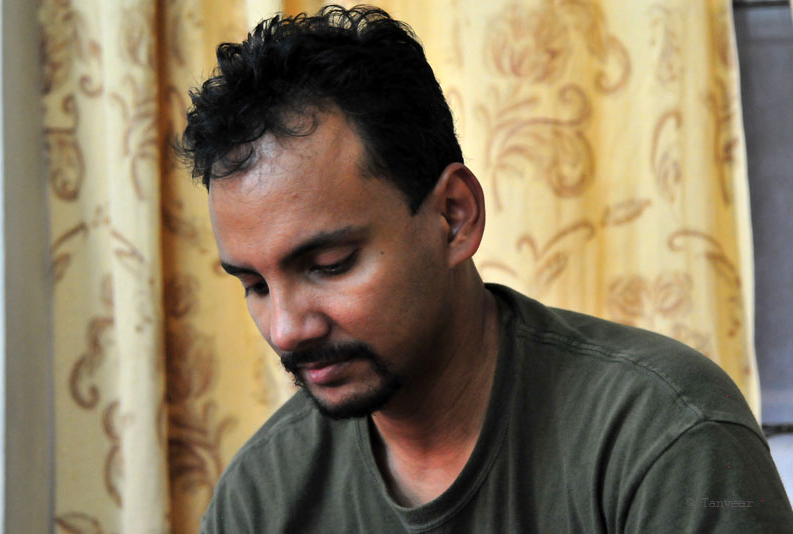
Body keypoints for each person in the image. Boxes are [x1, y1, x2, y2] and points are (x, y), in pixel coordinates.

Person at [177, 5, 793, 533]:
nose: (286, 330)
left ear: (454, 217)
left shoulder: (666, 436)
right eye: (255, 285)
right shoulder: (260, 500)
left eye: (329, 265)